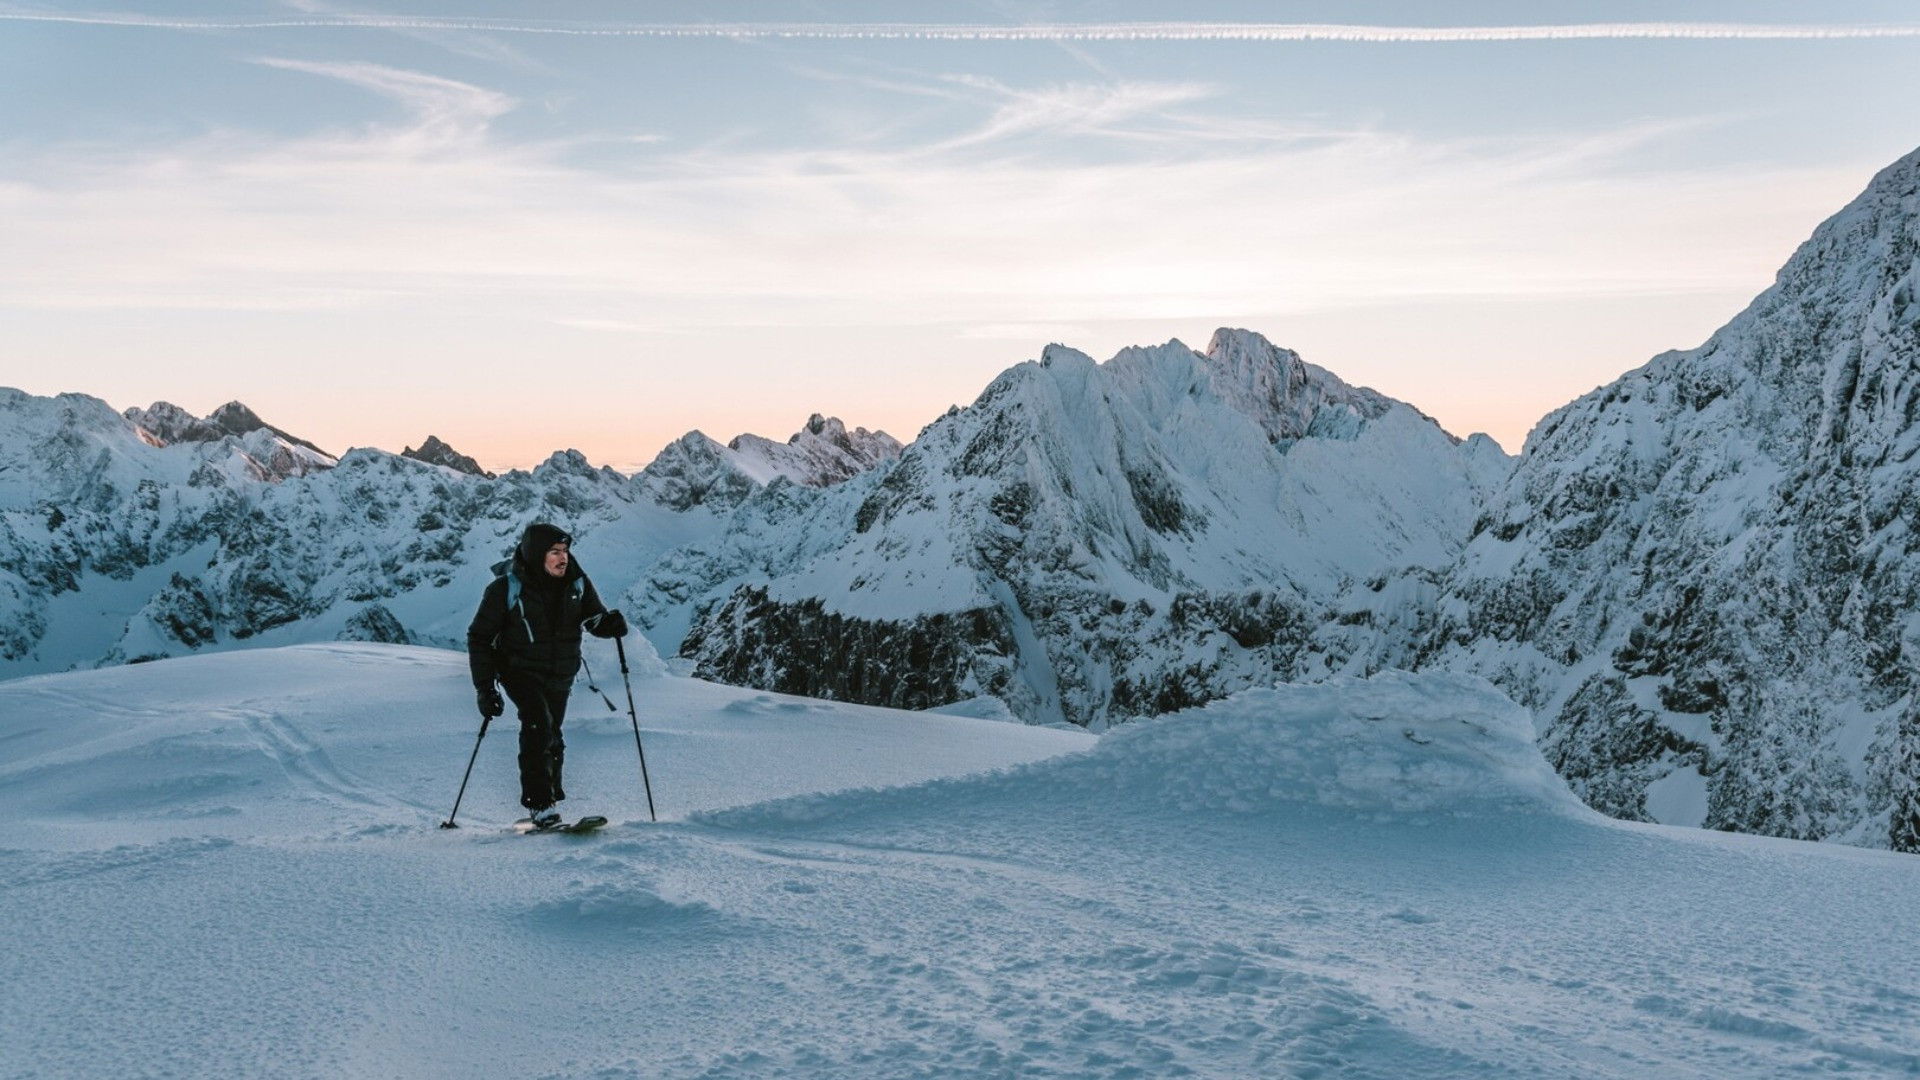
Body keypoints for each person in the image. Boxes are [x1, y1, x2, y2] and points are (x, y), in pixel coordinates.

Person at [467, 522, 628, 828]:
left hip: (561, 672)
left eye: (565, 550)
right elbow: (479, 638)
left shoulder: (577, 583)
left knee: (552, 733)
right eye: (554, 551)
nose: (562, 557)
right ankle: (540, 806)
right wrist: (484, 688)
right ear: (536, 553)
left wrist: (610, 625)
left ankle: (549, 800)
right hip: (519, 670)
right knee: (538, 725)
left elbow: (593, 618)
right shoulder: (505, 589)